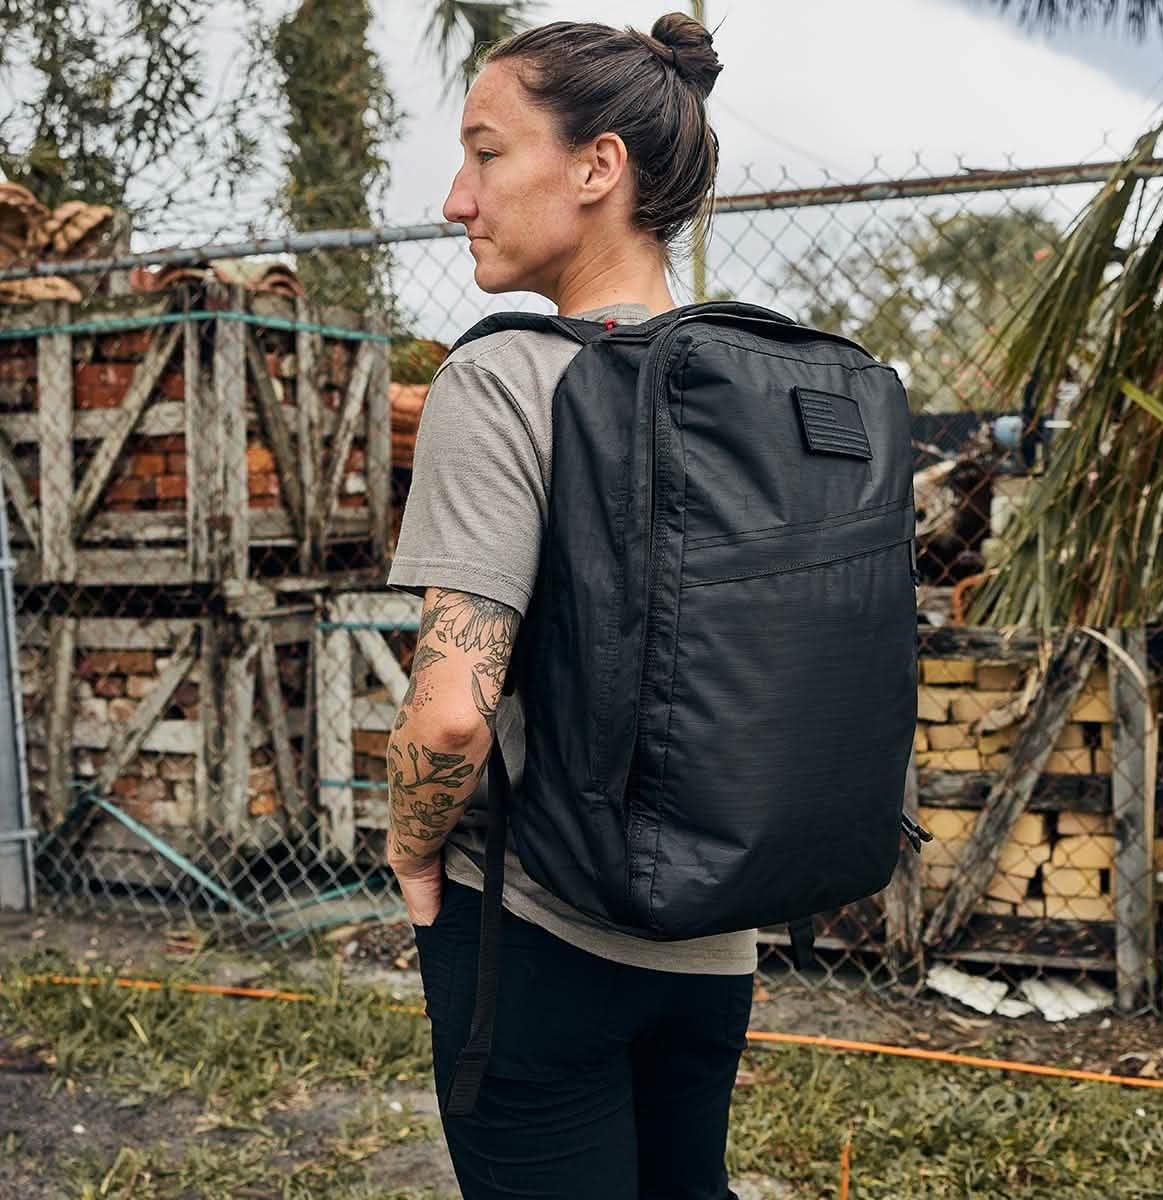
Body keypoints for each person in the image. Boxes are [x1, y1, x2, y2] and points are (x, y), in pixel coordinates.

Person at [385, 13, 756, 1199]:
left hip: (538, 933)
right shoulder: (769, 383)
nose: (458, 198)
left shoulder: (501, 380)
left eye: (487, 153)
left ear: (599, 167)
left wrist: (408, 850)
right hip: (720, 941)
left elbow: (451, 714)